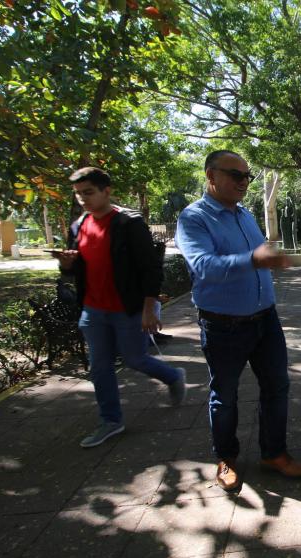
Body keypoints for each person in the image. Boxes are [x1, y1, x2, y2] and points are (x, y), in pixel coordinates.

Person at [176, 150, 301, 491]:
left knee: (277, 387)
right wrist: (253, 257)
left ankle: (274, 453)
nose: (243, 182)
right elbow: (203, 266)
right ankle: (226, 458)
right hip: (224, 325)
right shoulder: (194, 218)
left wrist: (270, 258)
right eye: (235, 175)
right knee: (225, 394)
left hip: (266, 319)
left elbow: (258, 258)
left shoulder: (245, 215)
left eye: (246, 176)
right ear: (211, 176)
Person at [53, 167, 186, 449]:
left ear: (106, 191)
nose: (83, 200)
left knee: (135, 359)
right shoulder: (79, 226)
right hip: (92, 310)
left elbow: (150, 268)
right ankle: (111, 421)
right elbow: (74, 269)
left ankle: (173, 376)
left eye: (88, 193)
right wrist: (66, 264)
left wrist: (150, 308)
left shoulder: (128, 223)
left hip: (126, 308)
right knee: (100, 367)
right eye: (78, 195)